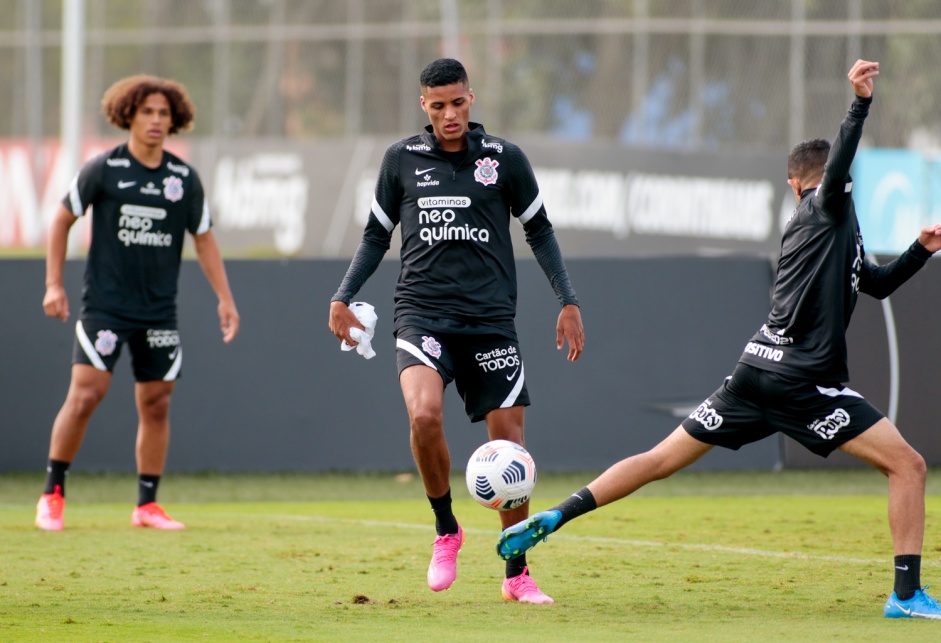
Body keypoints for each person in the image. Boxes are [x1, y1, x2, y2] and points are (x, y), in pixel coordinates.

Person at [497, 59, 941, 619]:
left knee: (659, 459)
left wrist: (921, 250)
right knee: (909, 466)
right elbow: (840, 168)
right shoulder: (825, 210)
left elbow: (874, 284)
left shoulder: (833, 232)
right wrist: (859, 103)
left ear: (789, 182)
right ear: (816, 183)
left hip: (754, 374)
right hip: (802, 381)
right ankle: (905, 596)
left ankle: (557, 515)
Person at [329, 58, 584, 603]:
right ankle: (447, 528)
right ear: (424, 105)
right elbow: (376, 236)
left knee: (510, 446)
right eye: (438, 105)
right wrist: (343, 295)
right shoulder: (401, 160)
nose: (450, 114)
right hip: (421, 314)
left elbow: (539, 230)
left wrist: (568, 300)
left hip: (491, 322)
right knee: (423, 415)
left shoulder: (505, 159)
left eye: (458, 103)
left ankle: (516, 574)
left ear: (472, 99)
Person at [36, 75, 240, 532]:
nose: (155, 120)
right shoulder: (103, 169)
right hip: (105, 308)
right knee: (86, 395)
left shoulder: (183, 178)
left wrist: (225, 299)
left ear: (175, 121)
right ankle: (52, 493)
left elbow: (204, 240)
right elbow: (61, 219)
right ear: (127, 114)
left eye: (163, 113)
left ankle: (146, 505)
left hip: (158, 311)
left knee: (157, 403)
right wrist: (53, 283)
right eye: (146, 111)